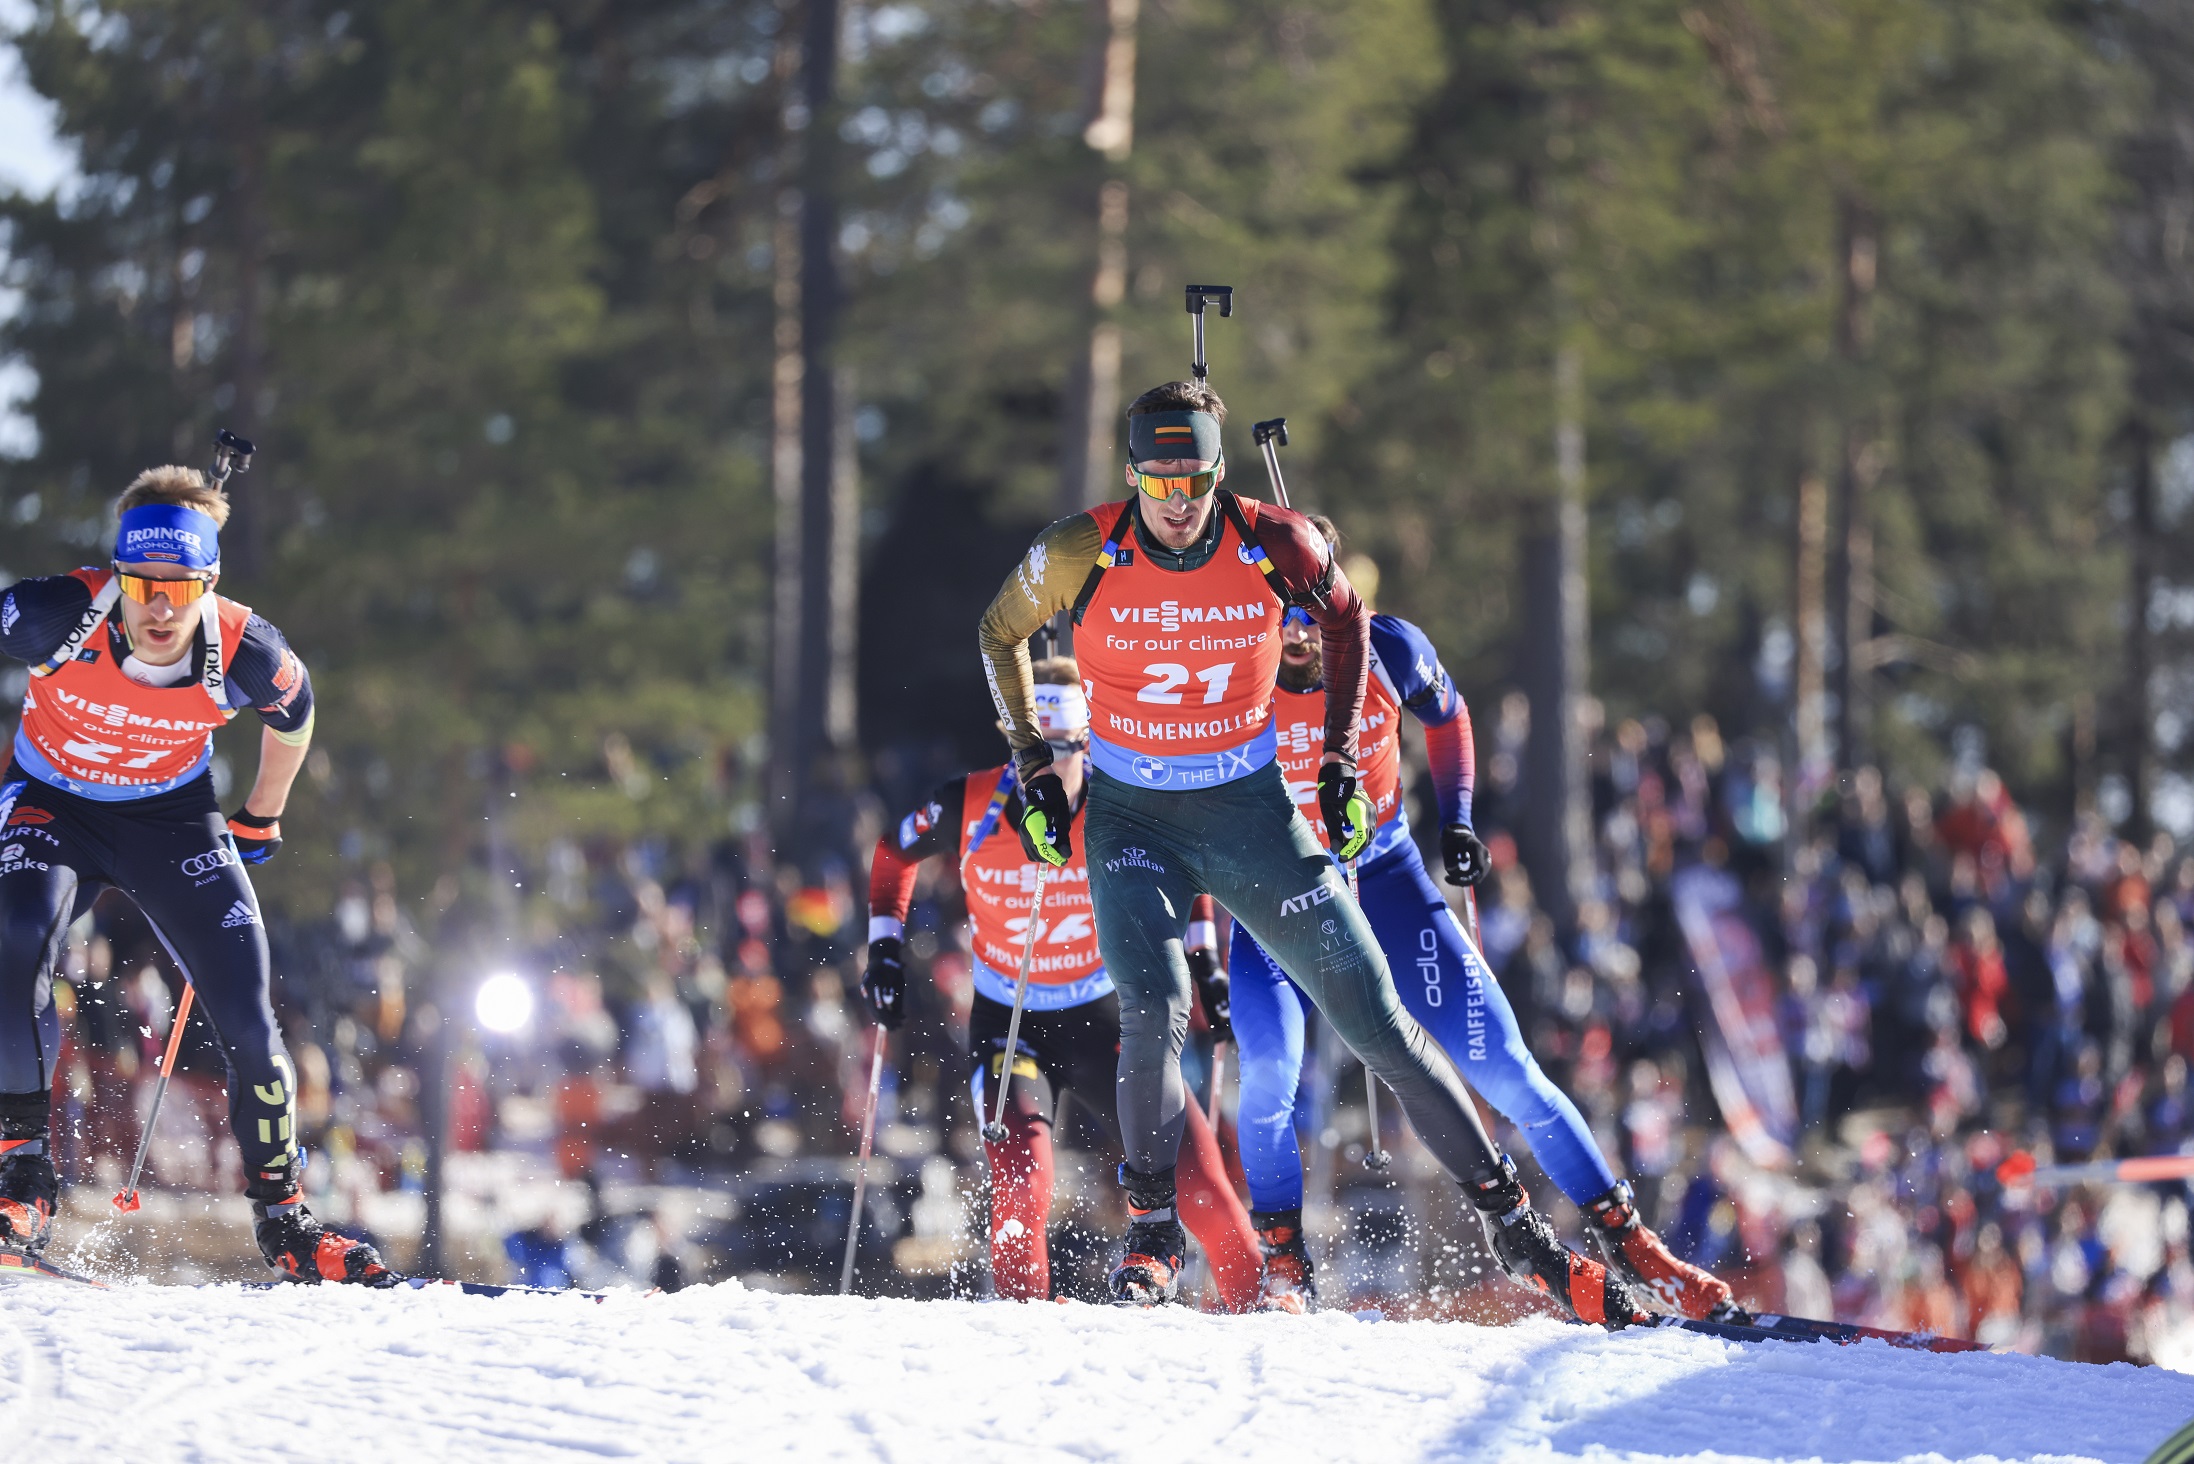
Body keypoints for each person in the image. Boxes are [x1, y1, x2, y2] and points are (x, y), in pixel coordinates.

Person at [976, 379, 1638, 1324]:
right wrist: (1035, 762)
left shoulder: (1273, 539)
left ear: (1217, 472)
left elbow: (1350, 620)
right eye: (1157, 481)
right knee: (1155, 1010)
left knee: (1378, 1023)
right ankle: (1153, 1231)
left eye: (1194, 480)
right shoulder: (1081, 546)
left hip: (1251, 816)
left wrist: (1333, 756)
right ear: (1132, 476)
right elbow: (998, 631)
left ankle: (1517, 1227)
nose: (1176, 502)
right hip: (1134, 824)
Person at [1199, 522, 1733, 1318]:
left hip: (1383, 877)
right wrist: (1208, 936)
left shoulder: (1389, 650)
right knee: (1271, 1075)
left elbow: (1449, 718)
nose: (1298, 632)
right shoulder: (1234, 676)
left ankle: (1636, 1249)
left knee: (1506, 1068)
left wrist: (1457, 820)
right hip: (1277, 891)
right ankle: (1286, 1266)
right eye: (1282, 610)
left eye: (1314, 610)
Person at [0, 465, 390, 1284]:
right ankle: (22, 1175)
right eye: (143, 586)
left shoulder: (246, 646)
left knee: (247, 1005)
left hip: (170, 819)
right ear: (117, 576)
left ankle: (286, 1222)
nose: (161, 609)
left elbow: (297, 714)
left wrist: (262, 813)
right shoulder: (56, 613)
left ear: (209, 583)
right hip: (51, 804)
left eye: (182, 588)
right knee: (15, 940)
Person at [861, 659, 1262, 1306]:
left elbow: (1186, 875)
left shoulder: (1120, 804)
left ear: (1089, 743)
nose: (1044, 768)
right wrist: (883, 949)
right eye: (1030, 750)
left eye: (1064, 749)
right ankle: (1028, 1338)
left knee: (1204, 1192)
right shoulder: (968, 803)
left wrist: (1205, 961)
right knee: (1023, 1183)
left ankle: (1267, 1319)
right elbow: (891, 854)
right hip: (1012, 1023)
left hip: (1108, 1017)